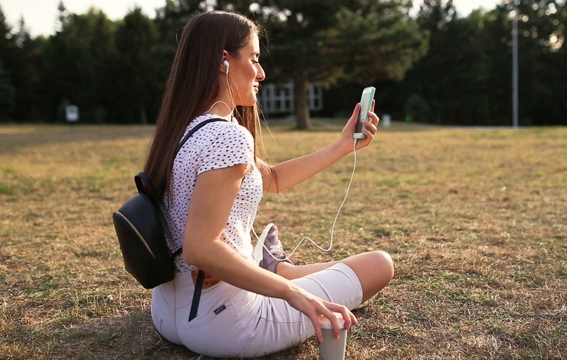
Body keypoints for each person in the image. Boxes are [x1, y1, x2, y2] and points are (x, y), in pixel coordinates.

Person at [144, 10, 394, 358]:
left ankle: (279, 268)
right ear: (224, 60)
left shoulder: (186, 128)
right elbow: (199, 248)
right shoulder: (227, 136)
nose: (261, 73)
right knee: (379, 264)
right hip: (226, 324)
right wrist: (294, 294)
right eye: (255, 59)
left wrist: (342, 146)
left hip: (169, 311)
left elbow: (272, 178)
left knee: (345, 271)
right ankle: (279, 273)